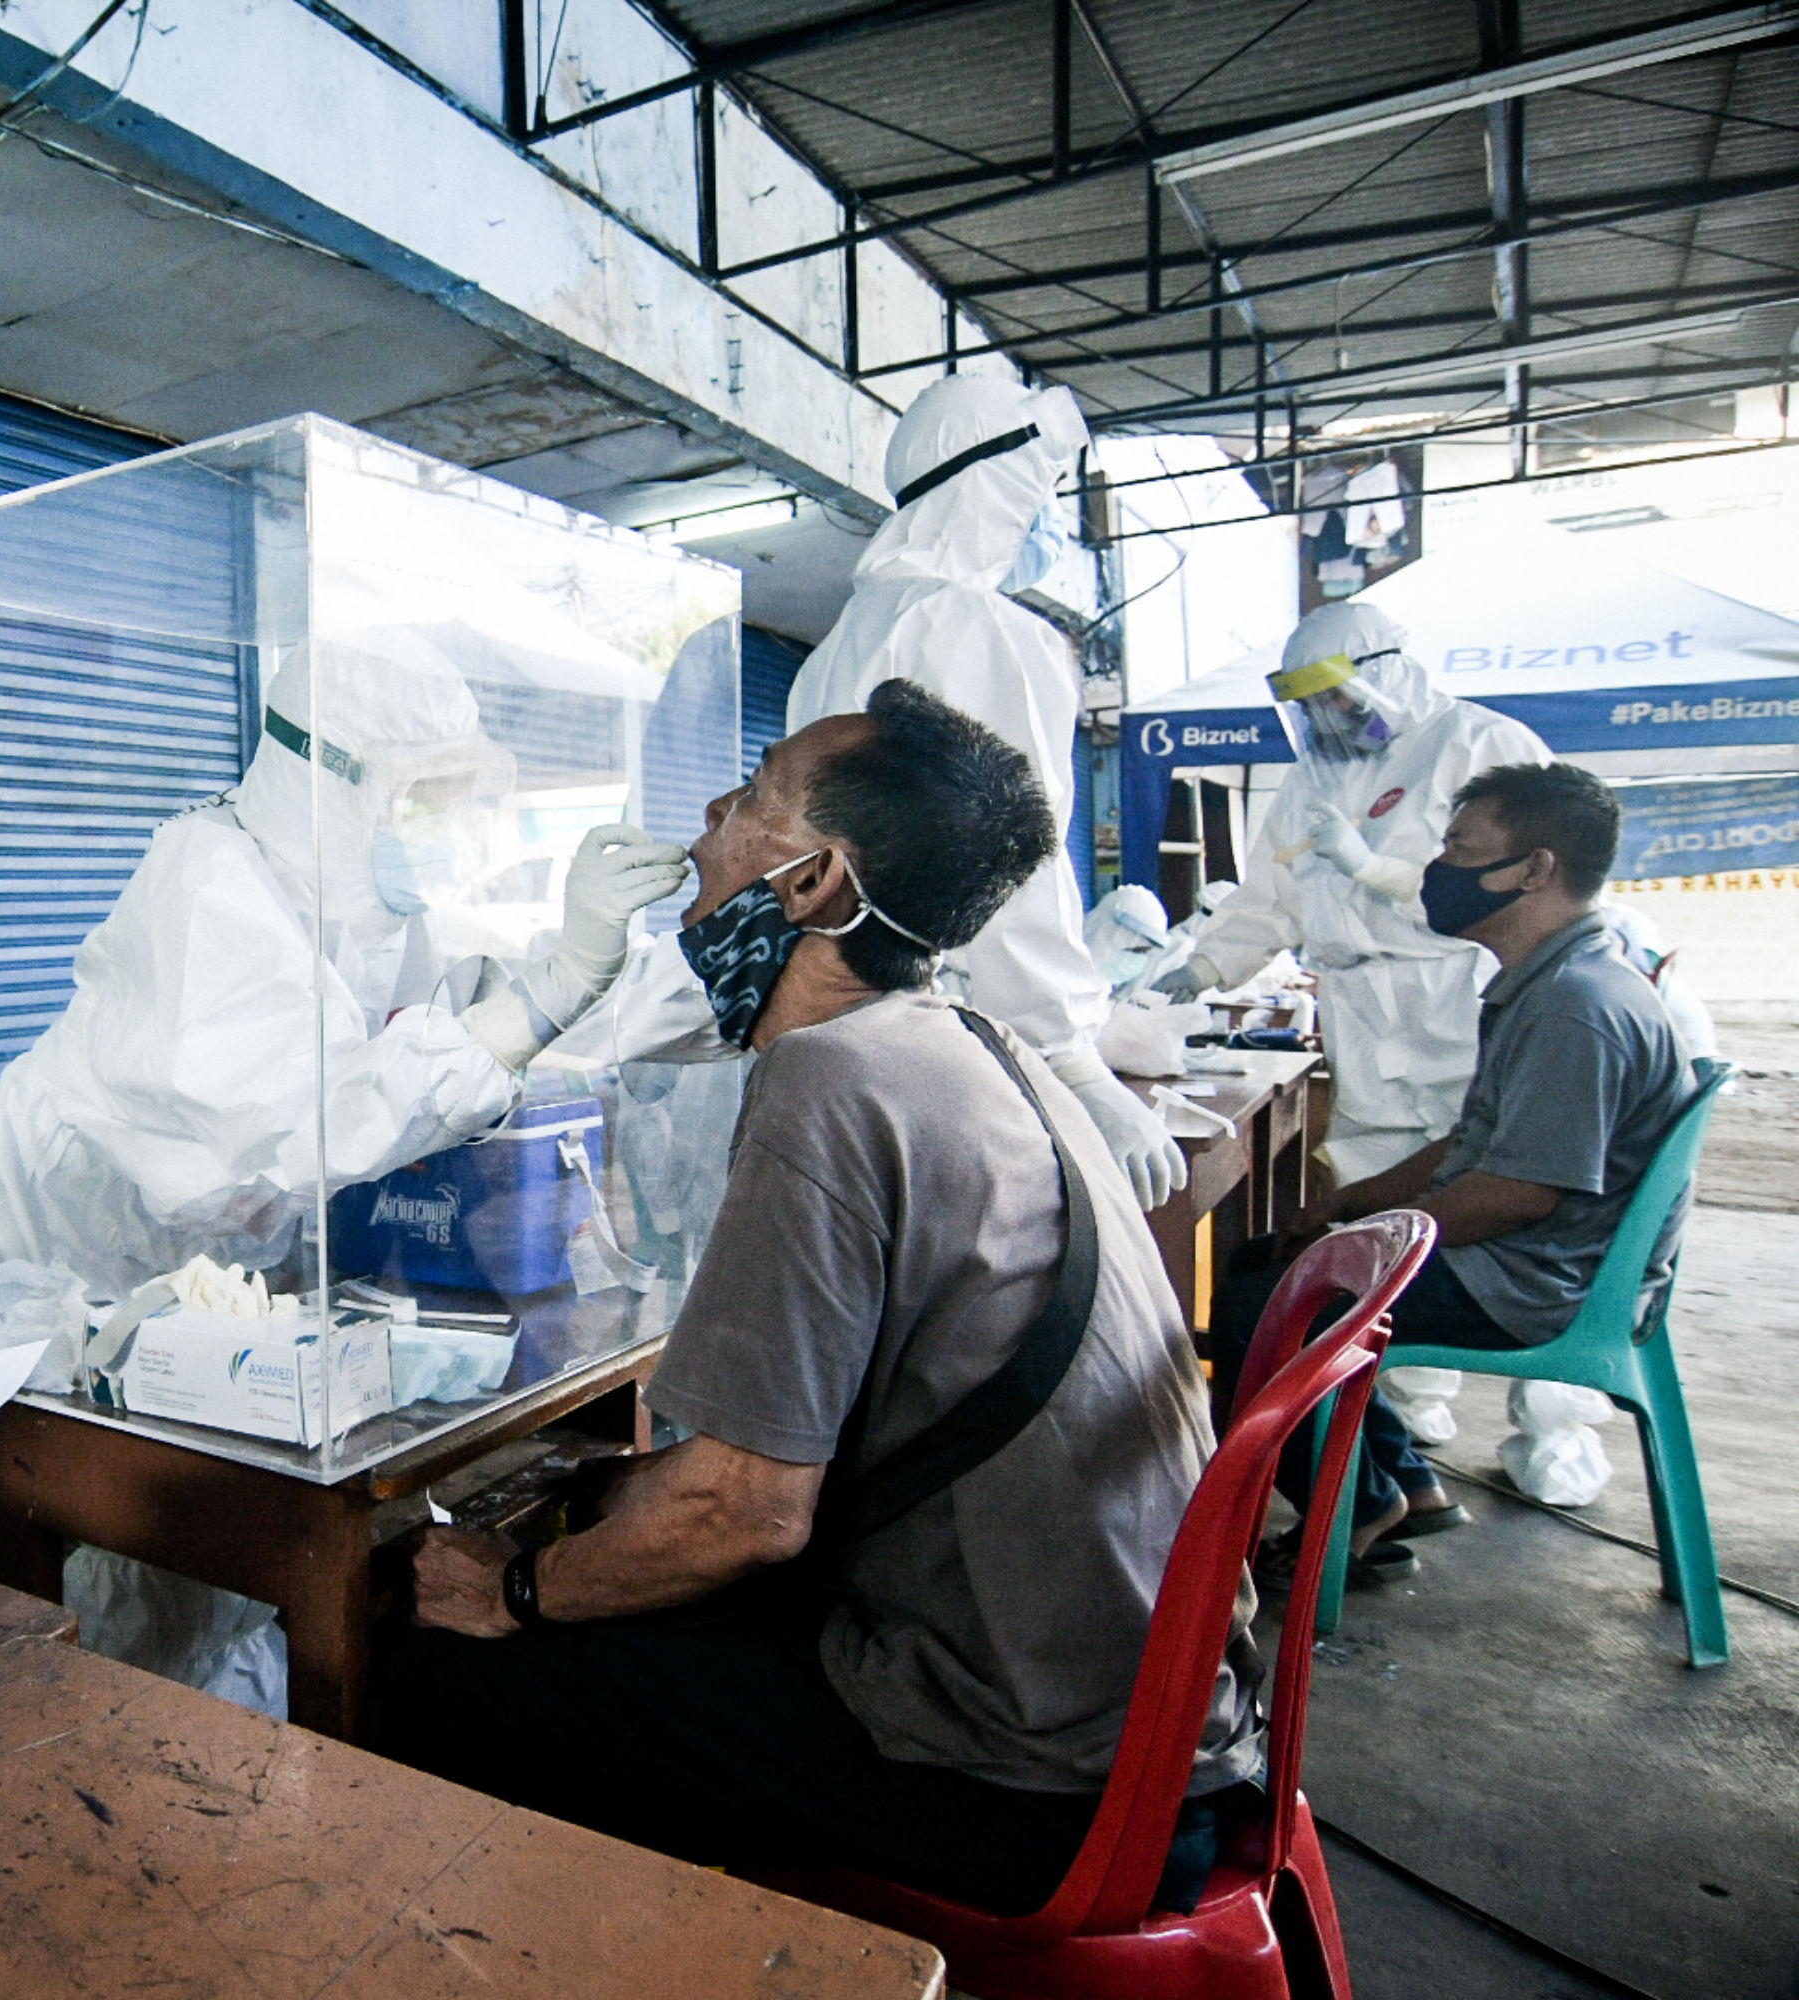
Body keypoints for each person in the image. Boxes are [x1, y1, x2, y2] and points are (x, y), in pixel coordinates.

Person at [380, 680, 1261, 1914]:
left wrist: (514, 1584)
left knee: (443, 1673)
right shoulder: (966, 1042)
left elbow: (744, 1513)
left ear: (810, 886)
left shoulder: (829, 1085)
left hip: (1031, 1777)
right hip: (1153, 1724)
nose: (705, 816)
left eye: (748, 798)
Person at [0, 646, 707, 1707]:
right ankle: (116, 1732)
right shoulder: (206, 877)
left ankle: (251, 1713)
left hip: (226, 1225)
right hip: (100, 1223)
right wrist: (538, 998)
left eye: (460, 794)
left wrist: (698, 988)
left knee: (251, 1491)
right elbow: (309, 1121)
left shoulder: (365, 896)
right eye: (426, 795)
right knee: (147, 1518)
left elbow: (496, 1003)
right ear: (336, 777)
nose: (444, 824)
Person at [1206, 763, 1692, 1575]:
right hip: (1537, 1257)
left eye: (1461, 850)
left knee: (1275, 1302)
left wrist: (1359, 1240)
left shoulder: (1577, 1006)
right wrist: (1349, 1207)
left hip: (1541, 1283)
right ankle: (1404, 1485)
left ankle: (1355, 1517)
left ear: (1535, 869)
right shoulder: (1546, 983)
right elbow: (1475, 1144)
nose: (1440, 871)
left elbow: (1519, 1195)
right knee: (1274, 1260)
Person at [785, 375, 1187, 1212]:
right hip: (972, 1047)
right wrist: (1072, 1062)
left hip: (859, 1031)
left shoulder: (833, 650)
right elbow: (1009, 868)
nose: (1041, 523)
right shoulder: (982, 628)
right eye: (1038, 494)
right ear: (995, 486)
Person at [1160, 603, 1549, 1183]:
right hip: (1359, 1010)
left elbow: (1518, 888)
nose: (1328, 717)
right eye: (1311, 704)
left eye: (1336, 696)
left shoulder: (1481, 744)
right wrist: (1203, 970)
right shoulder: (1314, 776)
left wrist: (1373, 868)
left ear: (1386, 671)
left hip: (1453, 997)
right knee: (1368, 1175)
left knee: (1474, 1157)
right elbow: (1272, 895)